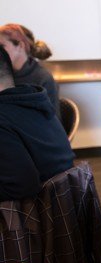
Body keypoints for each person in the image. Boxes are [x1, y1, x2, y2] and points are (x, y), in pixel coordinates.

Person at [0, 46, 74, 201]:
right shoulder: (32, 99)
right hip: (66, 205)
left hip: (35, 215)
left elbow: (21, 187)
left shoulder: (4, 116)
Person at [0, 24, 60, 120]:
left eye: (2, 46)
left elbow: (52, 121)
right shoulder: (3, 74)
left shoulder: (43, 78)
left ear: (20, 46)